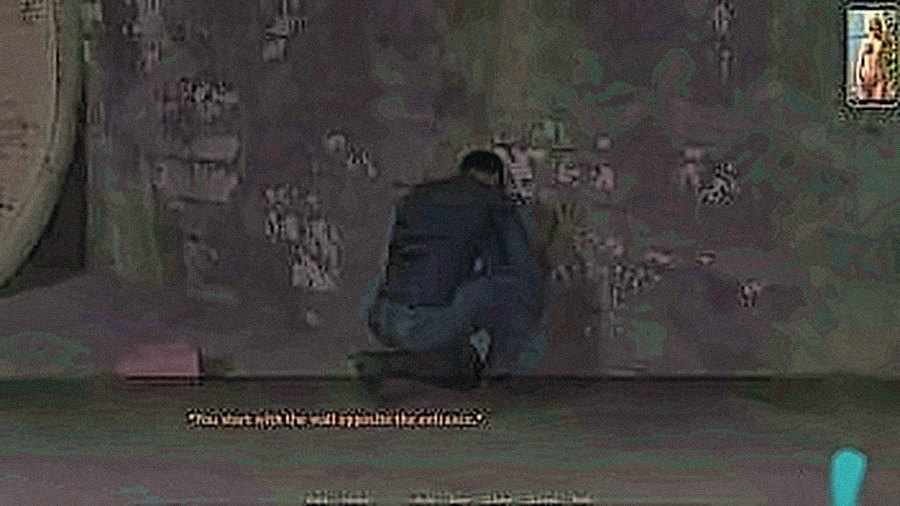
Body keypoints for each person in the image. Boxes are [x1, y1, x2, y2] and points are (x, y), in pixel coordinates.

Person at [351, 150, 585, 390]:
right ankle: (500, 372)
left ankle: (391, 364)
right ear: (495, 178)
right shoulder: (493, 202)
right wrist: (555, 242)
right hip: (426, 324)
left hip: (384, 318)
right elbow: (521, 271)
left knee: (463, 363)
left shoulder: (414, 197)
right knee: (520, 288)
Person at [856, 15, 893, 101]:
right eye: (872, 29)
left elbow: (882, 61)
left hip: (878, 76)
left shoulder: (880, 43)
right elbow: (859, 61)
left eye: (876, 29)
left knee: (877, 101)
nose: (874, 32)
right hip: (866, 75)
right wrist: (858, 77)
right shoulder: (865, 42)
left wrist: (887, 79)